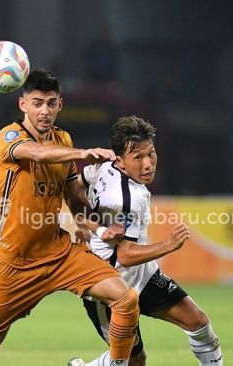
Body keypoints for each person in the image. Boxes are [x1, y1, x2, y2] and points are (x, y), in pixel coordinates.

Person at [0, 70, 140, 366]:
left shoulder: (63, 138)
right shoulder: (9, 137)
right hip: (13, 263)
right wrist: (83, 153)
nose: (44, 111)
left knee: (126, 299)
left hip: (59, 254)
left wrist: (94, 228)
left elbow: (74, 197)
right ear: (23, 104)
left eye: (51, 103)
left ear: (60, 104)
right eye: (37, 103)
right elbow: (36, 153)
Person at [68, 116, 223, 366]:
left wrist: (86, 221)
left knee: (198, 322)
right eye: (138, 158)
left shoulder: (104, 165)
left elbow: (75, 183)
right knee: (135, 360)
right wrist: (169, 245)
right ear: (121, 160)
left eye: (150, 153)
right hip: (110, 286)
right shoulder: (127, 199)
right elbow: (126, 255)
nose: (148, 163)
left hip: (143, 275)